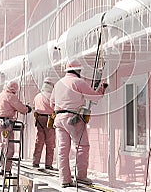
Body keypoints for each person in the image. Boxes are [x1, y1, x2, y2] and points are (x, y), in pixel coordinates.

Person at [50, 59, 108, 188]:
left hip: (58, 118)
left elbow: (51, 103)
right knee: (82, 146)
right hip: (73, 118)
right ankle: (81, 176)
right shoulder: (78, 82)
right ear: (78, 71)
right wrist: (102, 89)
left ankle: (64, 179)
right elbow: (95, 97)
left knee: (62, 150)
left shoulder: (58, 84)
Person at [0, 80, 32, 173]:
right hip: (5, 123)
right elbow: (20, 108)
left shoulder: (1, 94)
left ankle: (1, 165)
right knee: (10, 149)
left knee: (2, 145)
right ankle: (6, 169)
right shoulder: (11, 96)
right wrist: (27, 108)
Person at [32, 77, 56, 169]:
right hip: (50, 120)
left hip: (39, 120)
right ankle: (48, 164)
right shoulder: (52, 96)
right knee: (50, 143)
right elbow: (56, 108)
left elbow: (34, 107)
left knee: (39, 141)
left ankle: (35, 162)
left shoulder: (37, 96)